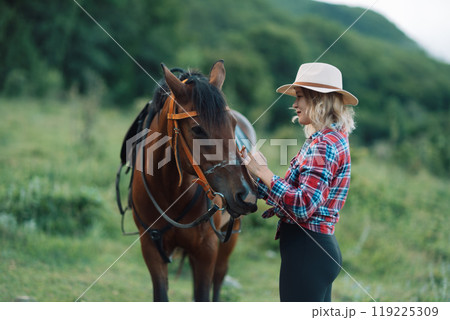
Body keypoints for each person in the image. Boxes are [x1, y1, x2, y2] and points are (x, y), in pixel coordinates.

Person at [243, 62, 358, 302]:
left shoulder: (324, 144)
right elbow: (295, 194)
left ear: (319, 100)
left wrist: (265, 173)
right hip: (313, 250)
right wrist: (254, 176)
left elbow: (303, 206)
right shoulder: (327, 139)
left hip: (308, 250)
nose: (294, 104)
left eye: (300, 97)